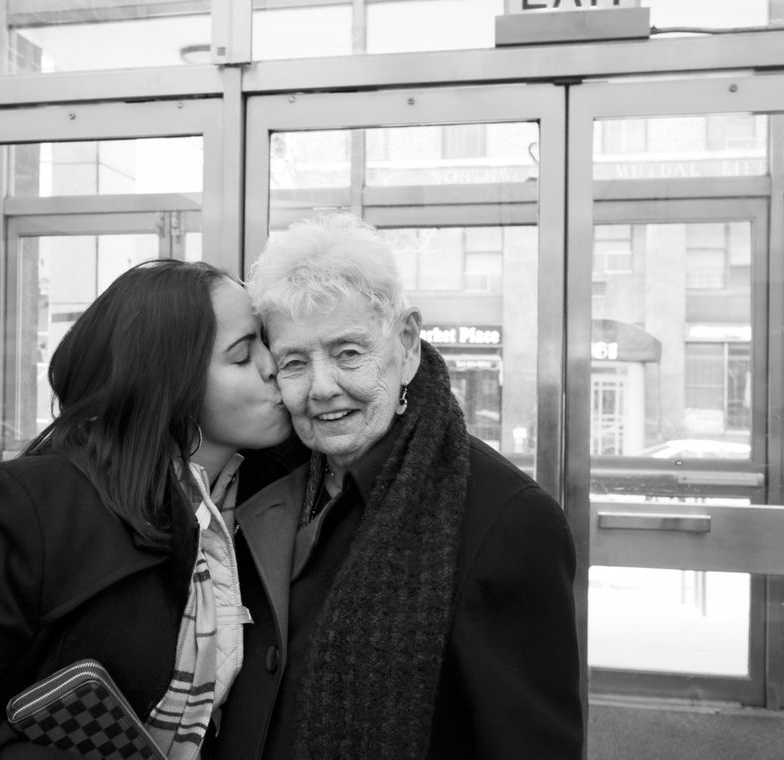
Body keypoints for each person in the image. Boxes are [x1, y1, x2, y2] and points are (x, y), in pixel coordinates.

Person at [0, 259, 297, 760]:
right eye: (240, 356)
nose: (273, 366)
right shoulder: (28, 506)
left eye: (265, 342)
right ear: (168, 383)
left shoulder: (265, 494)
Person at [213, 213, 583, 759]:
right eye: (294, 362)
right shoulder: (265, 481)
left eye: (348, 354)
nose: (322, 389)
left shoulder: (506, 518)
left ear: (406, 342)